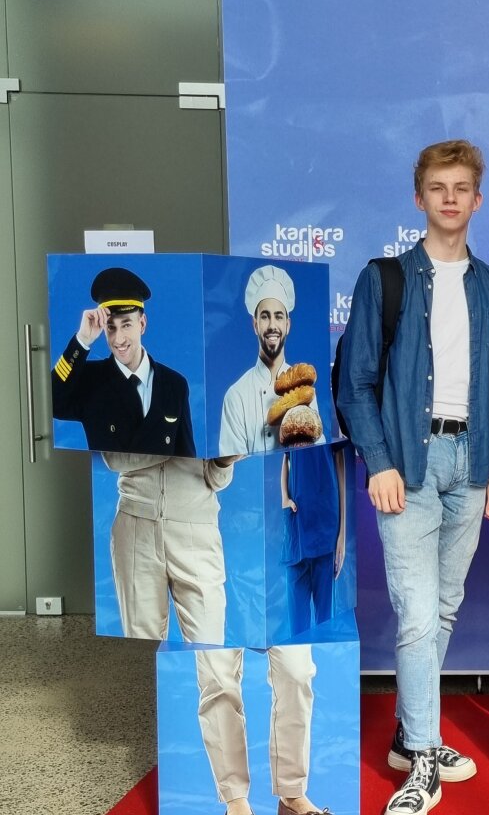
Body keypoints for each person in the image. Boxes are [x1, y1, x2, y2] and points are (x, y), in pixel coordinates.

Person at [338, 139, 489, 815]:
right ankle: (422, 765)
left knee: (441, 608)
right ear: (419, 198)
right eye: (438, 187)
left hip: (471, 463)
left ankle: (411, 735)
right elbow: (355, 381)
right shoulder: (385, 279)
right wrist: (378, 460)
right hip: (408, 462)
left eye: (461, 187)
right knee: (415, 614)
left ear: (477, 200)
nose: (449, 198)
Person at [100, 450, 331, 815]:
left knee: (297, 671)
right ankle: (234, 798)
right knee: (216, 676)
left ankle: (292, 792)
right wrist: (172, 440)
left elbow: (215, 477)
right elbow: (112, 457)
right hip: (141, 521)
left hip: (231, 533)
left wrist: (223, 461)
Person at [52, 266, 195, 456]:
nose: (118, 339)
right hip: (105, 476)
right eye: (111, 327)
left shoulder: (175, 385)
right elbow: (50, 403)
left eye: (126, 325)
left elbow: (186, 459)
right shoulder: (89, 380)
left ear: (142, 324)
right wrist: (82, 340)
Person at [220, 264, 324, 456]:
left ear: (288, 325)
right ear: (255, 325)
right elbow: (232, 466)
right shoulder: (236, 396)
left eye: (278, 316)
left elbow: (316, 448)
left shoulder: (305, 390)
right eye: (265, 317)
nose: (272, 325)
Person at [280, 443, 347, 637]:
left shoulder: (330, 424)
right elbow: (285, 456)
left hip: (326, 523)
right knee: (297, 629)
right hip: (297, 524)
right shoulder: (289, 422)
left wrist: (342, 534)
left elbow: (340, 462)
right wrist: (284, 497)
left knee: (325, 623)